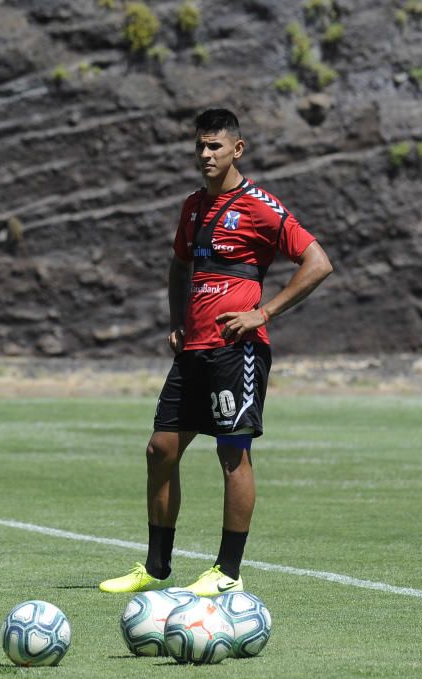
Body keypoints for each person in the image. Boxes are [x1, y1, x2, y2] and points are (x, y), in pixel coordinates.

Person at [99, 108, 333, 596]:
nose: (205, 155)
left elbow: (318, 263)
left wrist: (262, 314)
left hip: (236, 350)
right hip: (194, 349)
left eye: (215, 147)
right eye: (200, 147)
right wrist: (176, 321)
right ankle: (156, 568)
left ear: (237, 150)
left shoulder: (260, 206)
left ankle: (227, 571)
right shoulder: (192, 206)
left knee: (232, 453)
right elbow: (177, 266)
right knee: (160, 450)